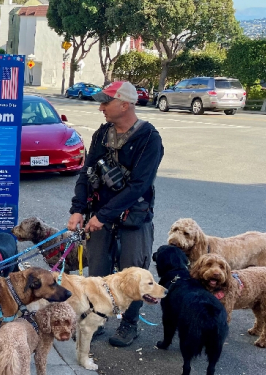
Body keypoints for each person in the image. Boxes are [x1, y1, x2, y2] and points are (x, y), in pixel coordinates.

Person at [67, 81, 164, 348]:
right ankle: (96, 319)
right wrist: (78, 209)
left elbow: (138, 186)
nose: (101, 108)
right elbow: (87, 172)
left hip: (133, 217)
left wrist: (103, 216)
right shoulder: (102, 134)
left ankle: (129, 324)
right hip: (100, 217)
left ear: (125, 104)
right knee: (97, 271)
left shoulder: (149, 138)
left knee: (134, 274)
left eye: (105, 102)